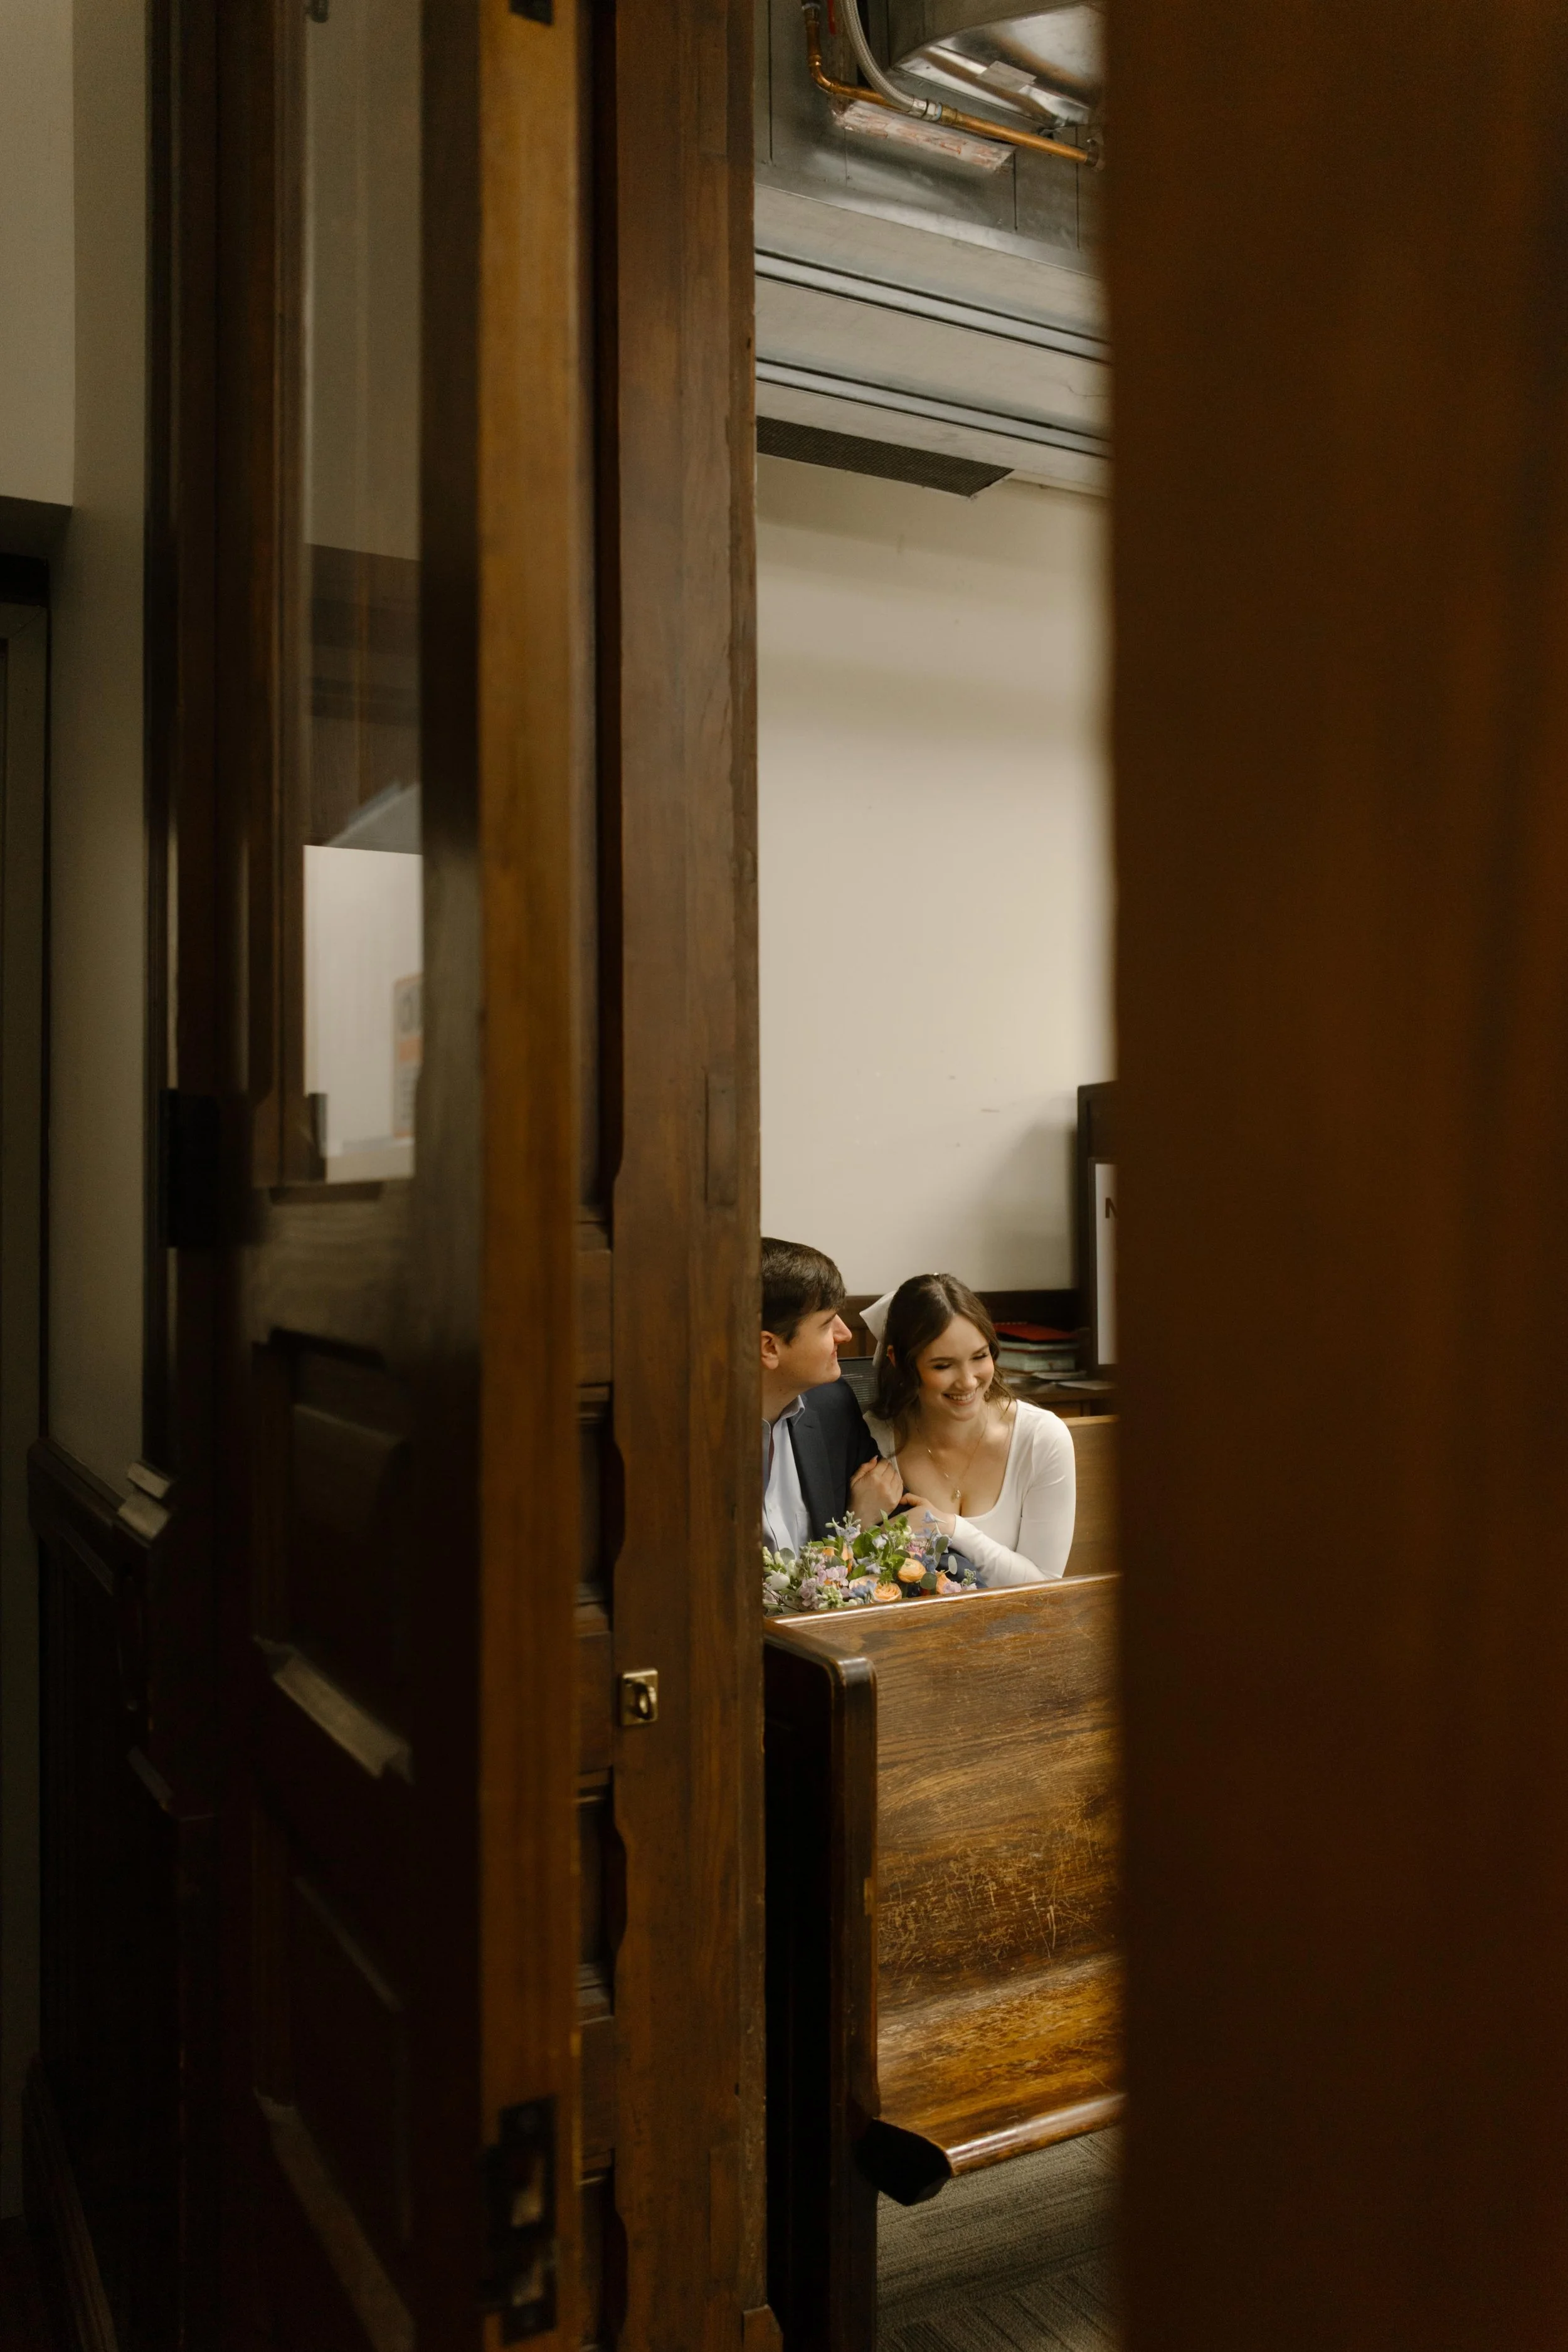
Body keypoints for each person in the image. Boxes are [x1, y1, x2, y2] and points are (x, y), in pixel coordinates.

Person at [864, 1272, 1075, 1585]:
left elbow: (1044, 1584)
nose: (968, 1381)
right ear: (898, 1361)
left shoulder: (1041, 1438)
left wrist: (951, 1528)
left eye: (979, 1357)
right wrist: (862, 1521)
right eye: (943, 1366)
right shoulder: (872, 1439)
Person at [761, 1237, 904, 1551]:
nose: (846, 1334)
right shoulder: (692, 1448)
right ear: (769, 1347)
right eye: (827, 1324)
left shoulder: (831, 1406)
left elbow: (900, 1517)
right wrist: (856, 1523)